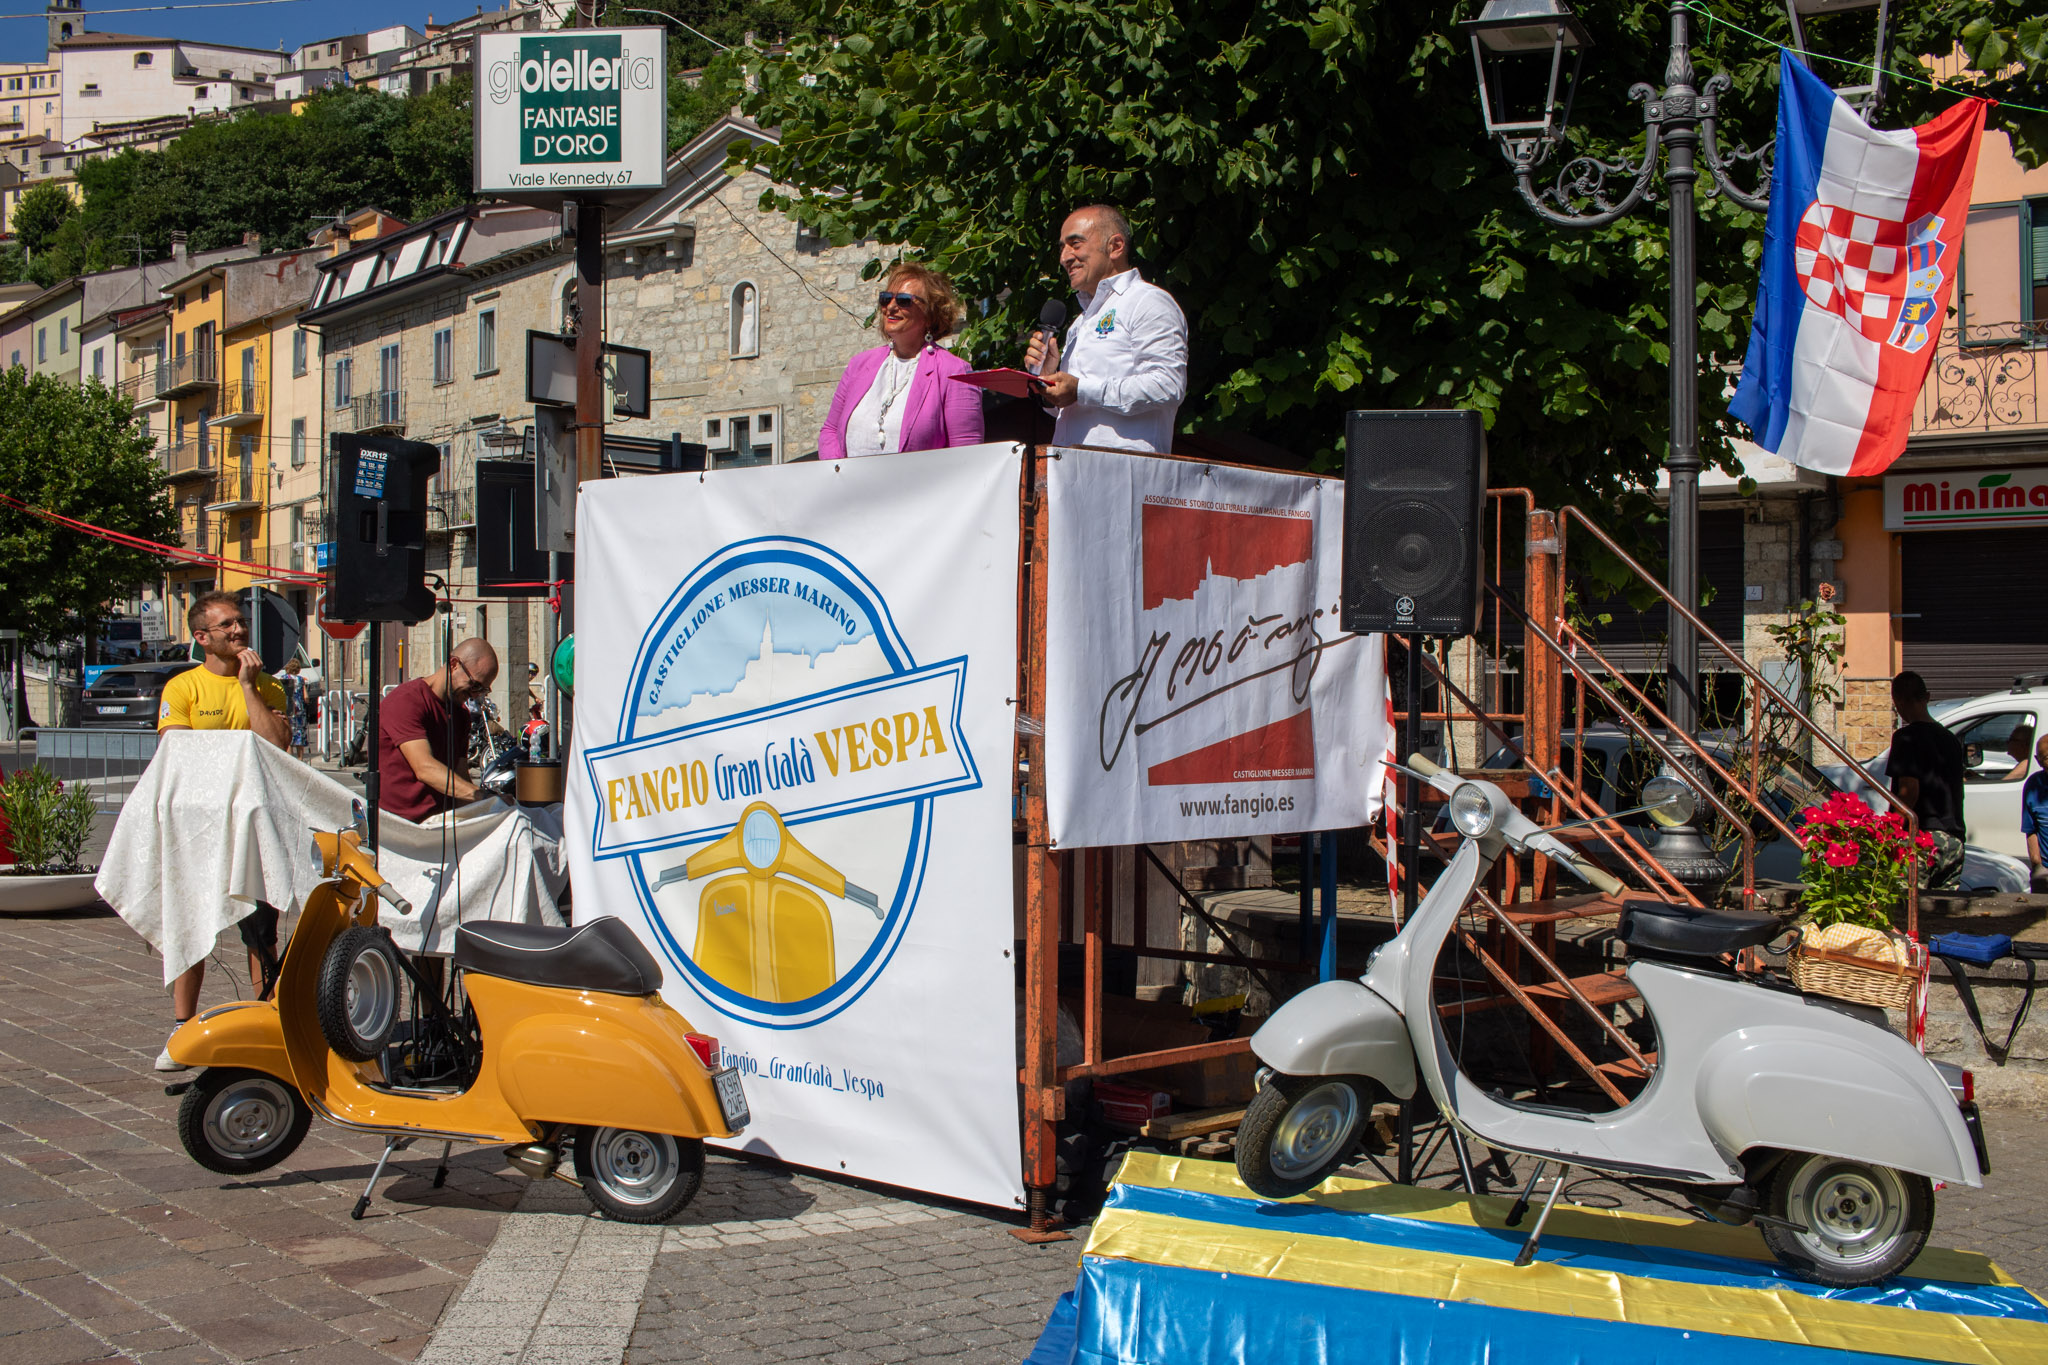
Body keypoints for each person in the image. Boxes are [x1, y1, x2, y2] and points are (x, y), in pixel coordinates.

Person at [155, 590, 292, 1071]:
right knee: (191, 928)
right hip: (200, 826)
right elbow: (179, 756)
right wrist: (238, 752)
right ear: (202, 637)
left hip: (255, 826)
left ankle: (266, 1023)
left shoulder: (268, 685)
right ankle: (181, 1027)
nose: (239, 630)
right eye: (227, 625)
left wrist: (249, 688)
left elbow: (277, 746)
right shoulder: (182, 688)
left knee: (261, 931)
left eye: (240, 622)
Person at [1021, 204, 1188, 453]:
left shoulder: (1148, 301)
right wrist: (1048, 382)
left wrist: (1080, 390)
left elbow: (1167, 386)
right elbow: (1074, 409)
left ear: (1116, 246)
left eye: (1075, 244)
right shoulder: (1081, 322)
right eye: (1062, 248)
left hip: (1126, 470)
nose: (1064, 257)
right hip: (1070, 467)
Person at [819, 263, 984, 460]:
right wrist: (837, 471)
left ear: (930, 314)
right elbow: (830, 431)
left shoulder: (954, 372)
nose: (891, 307)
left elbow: (966, 455)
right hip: (852, 480)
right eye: (885, 299)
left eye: (904, 300)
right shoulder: (859, 365)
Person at [378, 638, 500, 822]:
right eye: (474, 685)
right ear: (454, 664)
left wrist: (489, 810)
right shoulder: (406, 700)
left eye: (483, 689)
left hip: (442, 823)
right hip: (402, 825)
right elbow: (424, 767)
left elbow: (460, 774)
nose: (475, 695)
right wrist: (483, 797)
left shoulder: (461, 714)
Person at [1887, 670, 1966, 891]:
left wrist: (1890, 832)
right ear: (1928, 696)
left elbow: (1908, 791)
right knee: (1943, 907)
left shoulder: (1906, 738)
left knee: (1907, 904)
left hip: (1922, 838)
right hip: (1954, 839)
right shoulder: (1950, 739)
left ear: (1898, 702)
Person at [2020, 734, 2048, 893]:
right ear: (2038, 761)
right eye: (2047, 758)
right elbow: (2030, 829)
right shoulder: (2034, 784)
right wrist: (2037, 863)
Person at [280, 658, 310, 759]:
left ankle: (290, 758)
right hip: (299, 709)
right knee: (299, 733)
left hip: (287, 708)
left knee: (288, 733)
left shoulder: (283, 679)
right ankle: (300, 758)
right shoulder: (300, 680)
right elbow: (306, 697)